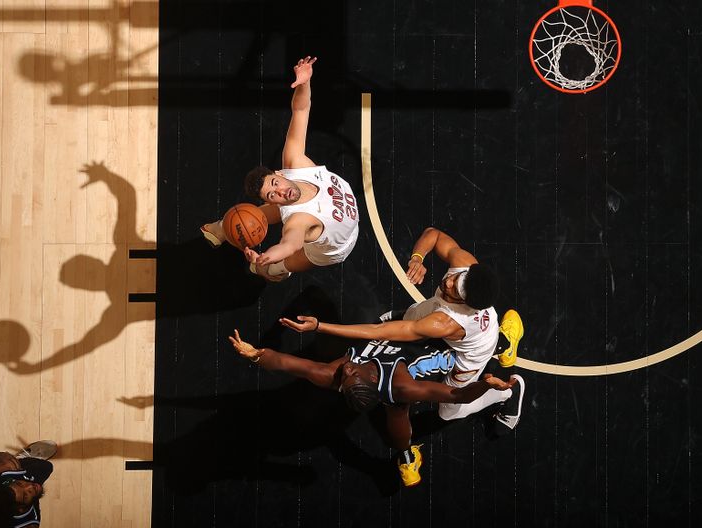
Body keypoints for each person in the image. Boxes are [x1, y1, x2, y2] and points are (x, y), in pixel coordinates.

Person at [279, 226, 525, 433]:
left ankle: (506, 392)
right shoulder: (464, 266)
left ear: (464, 302)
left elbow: (379, 333)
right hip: (451, 317)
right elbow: (434, 234)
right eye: (454, 278)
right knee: (413, 315)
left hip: (473, 350)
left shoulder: (445, 322)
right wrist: (417, 258)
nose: (447, 281)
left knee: (448, 410)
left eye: (453, 288)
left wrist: (321, 326)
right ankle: (503, 343)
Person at [228, 329, 518, 487]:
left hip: (392, 356)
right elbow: (458, 395)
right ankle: (500, 345)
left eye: (348, 374)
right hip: (434, 360)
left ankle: (406, 455)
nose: (347, 369)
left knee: (395, 412)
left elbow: (289, 365)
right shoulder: (404, 386)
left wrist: (255, 355)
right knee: (448, 347)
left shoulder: (336, 375)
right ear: (370, 377)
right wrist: (488, 385)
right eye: (349, 374)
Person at [201, 56, 360, 281]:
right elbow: (290, 244)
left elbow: (301, 111)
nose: (280, 191)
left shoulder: (295, 164)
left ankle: (220, 229)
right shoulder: (298, 220)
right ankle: (266, 269)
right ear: (271, 201)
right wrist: (267, 257)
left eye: (275, 184)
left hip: (340, 226)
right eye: (272, 196)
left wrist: (305, 83)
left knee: (273, 210)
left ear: (279, 174)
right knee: (280, 267)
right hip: (335, 248)